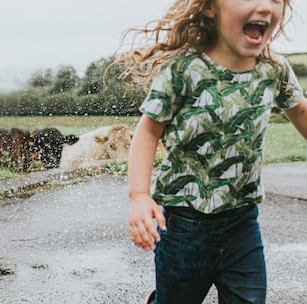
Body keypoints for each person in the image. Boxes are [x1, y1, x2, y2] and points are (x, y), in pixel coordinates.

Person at [116, 0, 307, 303]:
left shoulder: (273, 68)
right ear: (209, 8)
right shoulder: (183, 69)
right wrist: (139, 196)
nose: (264, 6)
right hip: (184, 225)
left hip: (243, 221)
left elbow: (300, 111)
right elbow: (149, 130)